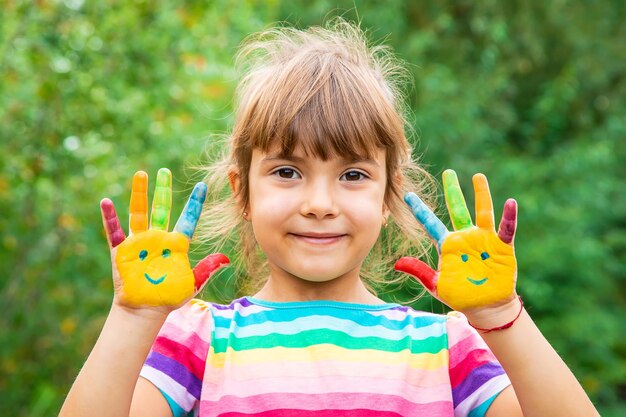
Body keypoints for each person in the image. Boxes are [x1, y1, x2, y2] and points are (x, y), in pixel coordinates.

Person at [60, 19, 599, 417]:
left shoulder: (447, 348)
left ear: (390, 196)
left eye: (353, 175)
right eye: (288, 172)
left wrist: (503, 315)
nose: (320, 202)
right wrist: (132, 319)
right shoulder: (196, 342)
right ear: (241, 190)